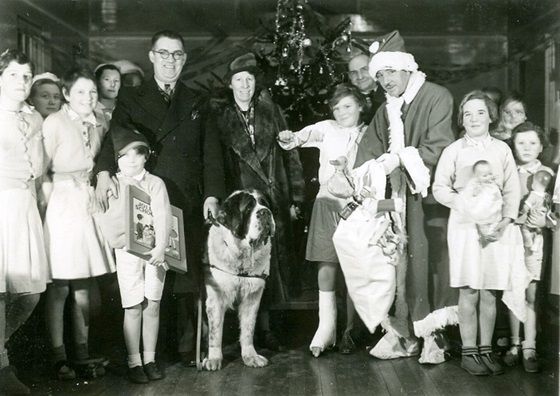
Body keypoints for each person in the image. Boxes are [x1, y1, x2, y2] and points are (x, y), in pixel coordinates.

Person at [94, 30, 224, 367]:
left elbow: (211, 152)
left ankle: (183, 346)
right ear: (151, 57)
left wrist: (212, 194)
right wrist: (104, 172)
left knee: (183, 273)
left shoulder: (198, 99)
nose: (170, 61)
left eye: (177, 54)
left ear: (184, 58)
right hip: (144, 198)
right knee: (148, 273)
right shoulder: (132, 97)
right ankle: (154, 353)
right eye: (163, 54)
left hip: (186, 198)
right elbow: (113, 140)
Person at [354, 30, 458, 364]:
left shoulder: (436, 96)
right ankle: (402, 332)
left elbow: (441, 145)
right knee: (393, 262)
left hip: (428, 199)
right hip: (395, 201)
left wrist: (400, 159)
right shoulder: (385, 110)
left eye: (390, 72)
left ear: (407, 68)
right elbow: (366, 154)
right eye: (379, 75)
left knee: (430, 264)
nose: (385, 80)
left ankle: (434, 335)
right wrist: (366, 173)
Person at [203, 52, 305, 350]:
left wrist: (295, 197)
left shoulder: (271, 112)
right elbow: (214, 162)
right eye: (238, 80)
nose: (245, 85)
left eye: (249, 79)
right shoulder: (220, 117)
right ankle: (241, 336)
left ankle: (266, 329)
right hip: (241, 207)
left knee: (267, 267)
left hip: (272, 199)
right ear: (230, 85)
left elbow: (291, 154)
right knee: (238, 266)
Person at [433, 90, 523, 376]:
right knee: (470, 289)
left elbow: (512, 189)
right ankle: (469, 351)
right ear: (462, 118)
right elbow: (439, 188)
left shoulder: (501, 150)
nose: (474, 118)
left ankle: (486, 350)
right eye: (468, 113)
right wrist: (462, 203)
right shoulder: (454, 151)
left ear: (490, 116)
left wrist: (505, 221)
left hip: (494, 228)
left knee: (489, 291)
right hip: (464, 227)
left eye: (480, 112)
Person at [277, 83, 367, 357]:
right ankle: (325, 328)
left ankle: (351, 331)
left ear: (361, 106)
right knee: (326, 264)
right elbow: (302, 137)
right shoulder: (327, 128)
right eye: (336, 108)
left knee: (354, 268)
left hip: (357, 205)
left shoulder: (368, 133)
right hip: (327, 202)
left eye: (347, 106)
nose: (341, 113)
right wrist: (289, 137)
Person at [42, 67, 115, 380]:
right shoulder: (54, 123)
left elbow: (103, 159)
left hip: (86, 203)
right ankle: (59, 357)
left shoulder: (99, 122)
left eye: (93, 92)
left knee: (84, 283)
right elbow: (41, 170)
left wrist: (101, 176)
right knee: (60, 285)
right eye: (81, 92)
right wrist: (49, 207)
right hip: (61, 204)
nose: (89, 97)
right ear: (67, 94)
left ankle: (82, 352)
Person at [95, 126, 172, 383]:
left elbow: (163, 215)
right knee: (132, 305)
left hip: (155, 253)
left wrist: (160, 247)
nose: (131, 160)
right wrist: (123, 241)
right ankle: (134, 361)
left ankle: (149, 359)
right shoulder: (112, 184)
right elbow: (106, 219)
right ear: (116, 158)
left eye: (137, 154)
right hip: (127, 252)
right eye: (124, 155)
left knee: (153, 303)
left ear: (146, 156)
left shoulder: (155, 183)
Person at [0, 48, 48, 395]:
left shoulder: (34, 119)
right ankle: (2, 366)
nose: (21, 81)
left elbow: (39, 167)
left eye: (26, 75)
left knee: (30, 290)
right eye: (14, 74)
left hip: (26, 205)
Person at [503, 121, 555, 373]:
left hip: (534, 241)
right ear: (512, 145)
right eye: (520, 142)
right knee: (514, 291)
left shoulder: (548, 174)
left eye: (532, 142)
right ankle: (514, 343)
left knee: (532, 294)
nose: (526, 147)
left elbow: (556, 211)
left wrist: (546, 220)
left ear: (541, 146)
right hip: (511, 240)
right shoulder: (508, 171)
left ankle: (530, 345)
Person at [459, 160, 504, 245]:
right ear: (476, 176)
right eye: (484, 176)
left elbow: (496, 190)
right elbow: (470, 194)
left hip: (492, 206)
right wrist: (477, 190)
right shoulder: (475, 183)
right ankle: (485, 234)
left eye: (490, 174)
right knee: (482, 221)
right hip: (482, 208)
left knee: (495, 219)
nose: (488, 177)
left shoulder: (491, 182)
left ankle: (491, 233)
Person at [347, 51, 385, 123]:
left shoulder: (390, 94)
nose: (360, 77)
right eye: (354, 73)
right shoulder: (346, 100)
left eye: (364, 69)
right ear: (350, 77)